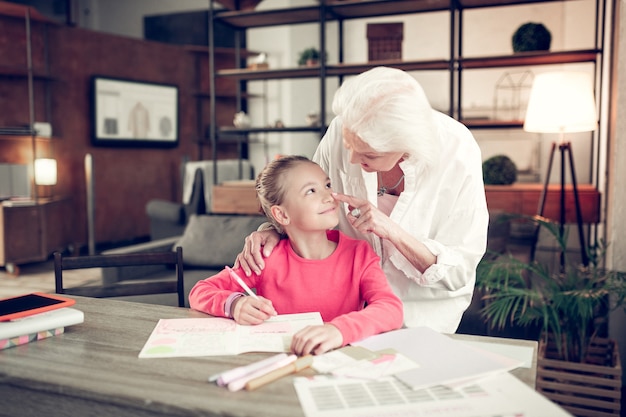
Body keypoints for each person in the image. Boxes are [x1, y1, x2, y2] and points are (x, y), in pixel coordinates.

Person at [235, 67, 489, 334]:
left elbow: (458, 272)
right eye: (349, 146)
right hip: (344, 319)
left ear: (407, 143)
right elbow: (304, 202)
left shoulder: (457, 151)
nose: (353, 160)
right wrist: (276, 232)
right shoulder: (342, 128)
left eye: (368, 153)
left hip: (423, 320)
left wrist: (392, 231)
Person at [189, 155, 403, 355]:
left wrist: (338, 330)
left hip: (341, 363)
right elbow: (200, 291)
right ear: (281, 214)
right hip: (278, 363)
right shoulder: (265, 258)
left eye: (327, 185)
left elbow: (391, 309)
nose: (328, 196)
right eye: (311, 191)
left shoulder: (359, 254)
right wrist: (234, 304)